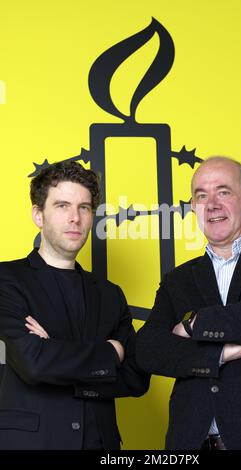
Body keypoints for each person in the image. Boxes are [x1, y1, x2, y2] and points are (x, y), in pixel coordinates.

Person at [136, 156, 241, 450]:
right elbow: (149, 349)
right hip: (190, 443)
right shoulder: (178, 279)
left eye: (223, 192)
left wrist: (194, 324)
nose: (211, 204)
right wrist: (224, 353)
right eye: (201, 195)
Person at [0, 161, 149, 450]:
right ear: (38, 215)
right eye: (62, 206)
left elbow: (135, 377)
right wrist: (110, 353)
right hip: (33, 444)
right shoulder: (6, 281)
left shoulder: (110, 294)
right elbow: (33, 363)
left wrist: (54, 352)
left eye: (84, 207)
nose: (75, 218)